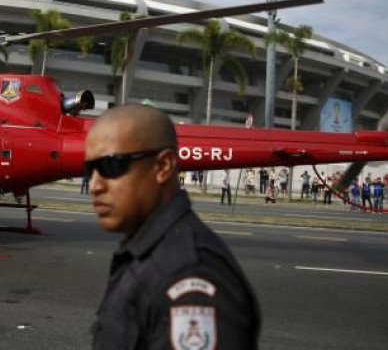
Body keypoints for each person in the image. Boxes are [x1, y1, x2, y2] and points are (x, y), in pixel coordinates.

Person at [86, 104, 260, 349]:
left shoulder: (190, 276)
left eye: (111, 166)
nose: (94, 185)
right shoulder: (147, 251)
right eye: (89, 170)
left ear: (163, 166)